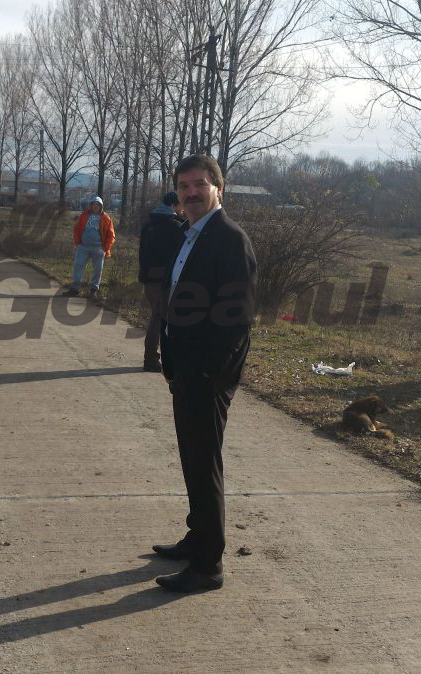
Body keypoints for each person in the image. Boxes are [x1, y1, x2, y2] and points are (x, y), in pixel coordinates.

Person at [154, 154, 257, 593]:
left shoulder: (229, 240)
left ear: (219, 188)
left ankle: (208, 564)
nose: (190, 193)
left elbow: (237, 319)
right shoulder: (191, 234)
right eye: (183, 186)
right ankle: (197, 536)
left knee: (204, 464)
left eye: (199, 184)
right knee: (191, 460)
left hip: (206, 377)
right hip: (187, 370)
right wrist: (172, 362)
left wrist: (208, 375)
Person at [138, 191, 186, 372]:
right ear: (174, 205)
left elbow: (141, 252)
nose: (183, 209)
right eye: (181, 205)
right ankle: (151, 359)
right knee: (159, 317)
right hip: (164, 279)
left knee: (161, 317)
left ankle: (165, 356)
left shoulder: (148, 224)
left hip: (148, 277)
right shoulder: (175, 227)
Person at [62, 196, 115, 298]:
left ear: (101, 206)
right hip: (83, 247)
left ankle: (93, 290)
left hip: (98, 248)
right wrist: (78, 243)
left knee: (97, 270)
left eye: (97, 205)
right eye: (93, 204)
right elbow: (77, 229)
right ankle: (75, 289)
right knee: (78, 267)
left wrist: (105, 249)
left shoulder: (106, 218)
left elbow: (111, 235)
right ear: (90, 205)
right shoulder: (84, 215)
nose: (95, 206)